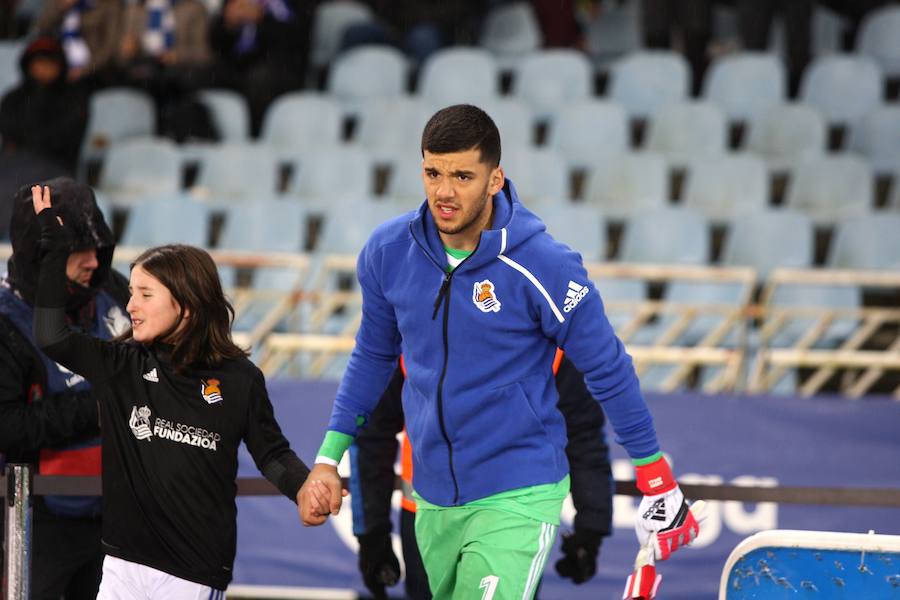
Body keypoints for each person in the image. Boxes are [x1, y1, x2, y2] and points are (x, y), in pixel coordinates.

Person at [300, 104, 702, 600]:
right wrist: (327, 458)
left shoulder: (545, 265)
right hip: (431, 499)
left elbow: (608, 370)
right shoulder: (388, 251)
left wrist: (655, 476)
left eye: (463, 176)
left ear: (495, 179)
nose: (444, 192)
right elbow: (372, 359)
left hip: (519, 491)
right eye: (432, 172)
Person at [31, 183, 318, 598]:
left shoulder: (240, 380)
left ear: (185, 304)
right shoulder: (121, 365)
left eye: (145, 295)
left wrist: (304, 486)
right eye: (131, 293)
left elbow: (271, 455)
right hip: (121, 567)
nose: (131, 306)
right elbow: (50, 334)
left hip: (193, 573)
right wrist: (55, 252)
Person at [352, 352, 613, 599]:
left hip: (514, 515)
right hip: (429, 518)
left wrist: (591, 527)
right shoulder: (409, 330)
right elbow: (373, 432)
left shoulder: (550, 338)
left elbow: (583, 432)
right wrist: (372, 532)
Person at [0, 177, 128, 599]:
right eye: (79, 251)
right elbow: (7, 426)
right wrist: (98, 407)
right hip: (41, 524)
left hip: (122, 517)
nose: (93, 261)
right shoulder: (7, 323)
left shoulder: (113, 291)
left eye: (98, 248)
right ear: (42, 252)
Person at [0, 36, 90, 174]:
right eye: (40, 61)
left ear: (60, 65)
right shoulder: (13, 98)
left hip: (55, 166)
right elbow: (9, 134)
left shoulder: (73, 97)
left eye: (51, 61)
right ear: (29, 65)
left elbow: (67, 137)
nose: (45, 67)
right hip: (14, 164)